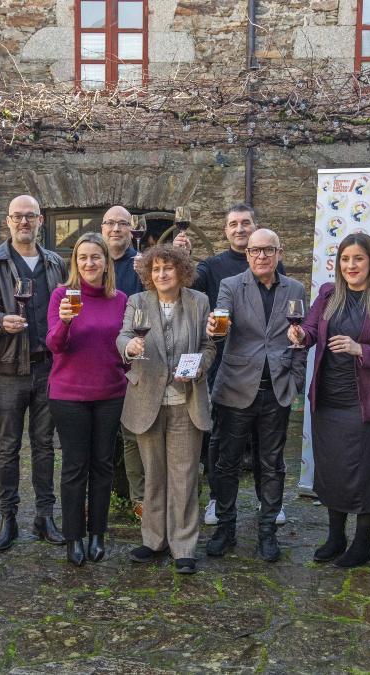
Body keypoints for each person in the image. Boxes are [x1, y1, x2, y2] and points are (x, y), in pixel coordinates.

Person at [292, 233, 370, 568]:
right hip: (329, 399)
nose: (351, 266)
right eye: (345, 259)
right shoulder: (328, 294)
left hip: (367, 402)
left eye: (358, 259)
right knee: (333, 471)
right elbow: (310, 331)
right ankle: (335, 536)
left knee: (367, 473)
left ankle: (362, 543)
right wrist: (299, 336)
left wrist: (361, 350)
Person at [205, 228, 306, 562]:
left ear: (279, 253)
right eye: (255, 251)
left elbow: (300, 339)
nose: (261, 256)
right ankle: (225, 528)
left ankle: (267, 532)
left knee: (273, 464)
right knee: (226, 462)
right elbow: (221, 322)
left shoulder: (295, 289)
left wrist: (296, 380)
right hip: (235, 387)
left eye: (268, 250)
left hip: (276, 391)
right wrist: (216, 327)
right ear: (246, 254)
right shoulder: (231, 285)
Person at [183, 203, 286, 528]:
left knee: (265, 443)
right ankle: (217, 498)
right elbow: (188, 287)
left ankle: (265, 500)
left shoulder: (274, 270)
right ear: (225, 231)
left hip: (265, 370)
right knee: (221, 440)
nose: (240, 229)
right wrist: (182, 258)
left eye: (246, 223)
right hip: (224, 365)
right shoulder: (213, 266)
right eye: (233, 224)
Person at [0, 195, 69, 551]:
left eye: (30, 216)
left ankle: (45, 516)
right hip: (8, 367)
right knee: (8, 445)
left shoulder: (55, 263)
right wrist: (1, 322)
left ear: (40, 220)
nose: (24, 222)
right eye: (18, 217)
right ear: (8, 221)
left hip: (47, 365)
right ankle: (7, 516)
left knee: (45, 446)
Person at [119, 244, 216, 574]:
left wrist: (199, 367)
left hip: (186, 401)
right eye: (156, 269)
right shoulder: (137, 302)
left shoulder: (199, 302)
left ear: (181, 271)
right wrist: (129, 347)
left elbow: (208, 346)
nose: (161, 274)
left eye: (168, 268)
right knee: (154, 475)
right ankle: (153, 540)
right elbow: (123, 336)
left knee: (185, 478)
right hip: (147, 400)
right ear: (148, 273)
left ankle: (184, 546)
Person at [47, 232, 128, 565]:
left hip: (110, 391)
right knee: (74, 467)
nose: (89, 263)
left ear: (106, 262)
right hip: (69, 394)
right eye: (83, 258)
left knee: (103, 465)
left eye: (96, 257)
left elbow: (125, 345)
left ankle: (97, 533)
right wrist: (66, 321)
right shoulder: (62, 296)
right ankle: (73, 537)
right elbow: (54, 345)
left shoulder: (120, 299)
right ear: (74, 262)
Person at [99, 206, 145, 518]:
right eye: (110, 223)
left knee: (132, 434)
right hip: (96, 359)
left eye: (122, 223)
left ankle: (139, 500)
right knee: (99, 436)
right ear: (102, 228)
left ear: (131, 229)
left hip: (132, 363)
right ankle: (97, 498)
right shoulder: (92, 260)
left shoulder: (141, 265)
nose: (116, 228)